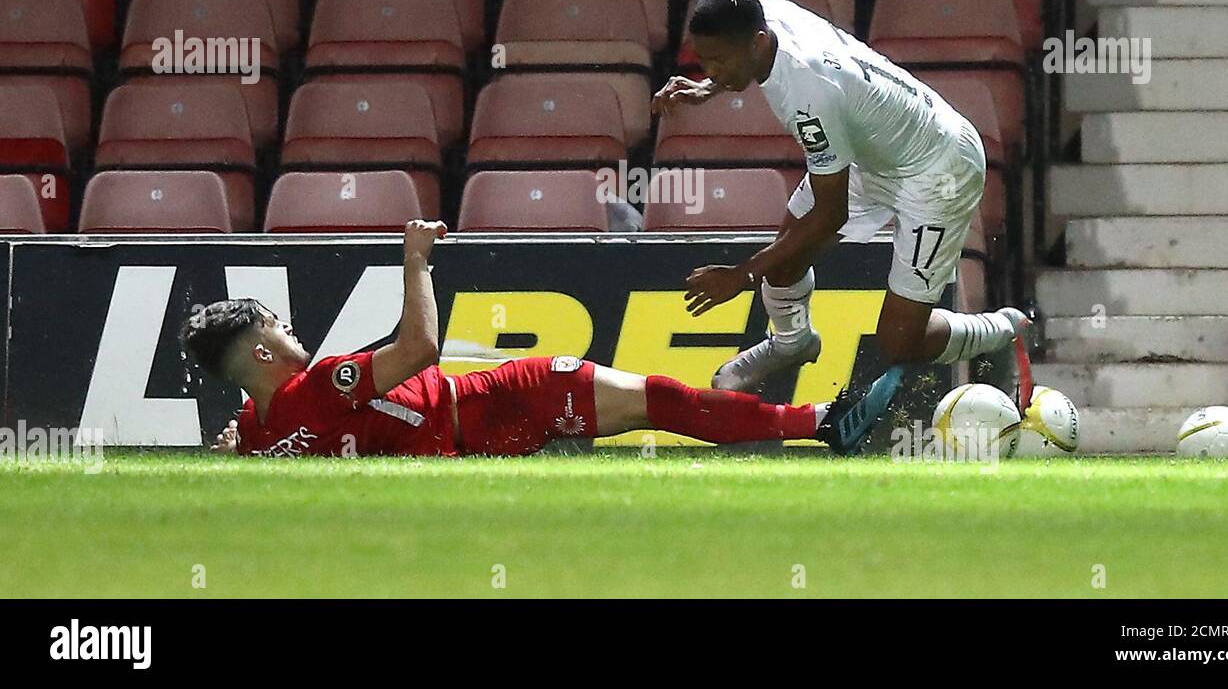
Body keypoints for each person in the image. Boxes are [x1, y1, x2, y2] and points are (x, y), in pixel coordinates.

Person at [186, 220, 891, 458]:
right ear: (258, 352)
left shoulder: (254, 431)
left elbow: (254, 440)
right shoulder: (320, 383)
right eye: (278, 326)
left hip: (479, 439)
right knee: (660, 398)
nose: (293, 330)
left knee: (657, 403)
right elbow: (419, 352)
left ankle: (820, 423)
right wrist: (415, 261)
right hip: (495, 400)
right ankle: (824, 422)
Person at [654, 0, 1033, 410]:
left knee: (900, 342)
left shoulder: (808, 94)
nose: (712, 69)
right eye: (705, 61)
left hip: (939, 169)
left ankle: (1003, 329)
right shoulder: (767, 15)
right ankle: (794, 342)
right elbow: (741, 59)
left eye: (718, 61)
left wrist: (742, 275)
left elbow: (831, 216)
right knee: (787, 257)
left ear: (758, 42)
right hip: (874, 150)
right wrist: (707, 88)